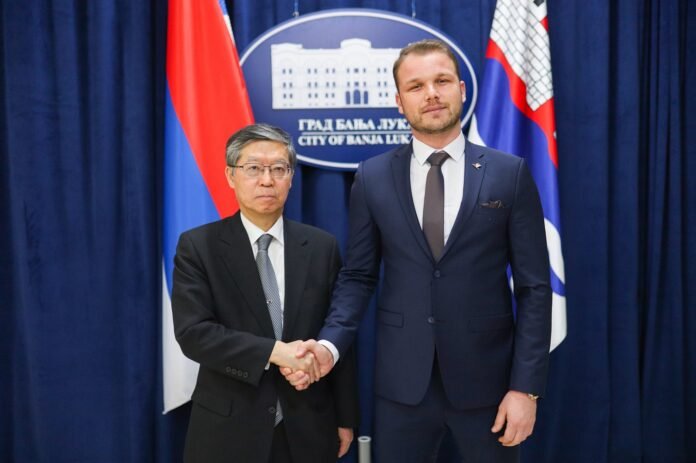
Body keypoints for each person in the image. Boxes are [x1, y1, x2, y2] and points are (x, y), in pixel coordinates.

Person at [285, 39, 552, 462]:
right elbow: (358, 277)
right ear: (399, 101)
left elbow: (534, 289)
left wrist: (525, 388)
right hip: (402, 387)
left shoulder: (509, 173)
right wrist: (328, 346)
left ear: (461, 89)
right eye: (416, 86)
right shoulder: (373, 177)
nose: (431, 94)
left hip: (489, 384)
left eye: (441, 81)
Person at [171, 123, 359, 463]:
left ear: (291, 177)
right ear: (231, 175)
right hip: (228, 428)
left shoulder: (321, 247)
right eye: (254, 168)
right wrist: (277, 353)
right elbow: (194, 334)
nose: (267, 180)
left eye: (278, 169)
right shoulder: (199, 246)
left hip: (309, 424)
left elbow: (337, 333)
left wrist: (345, 417)